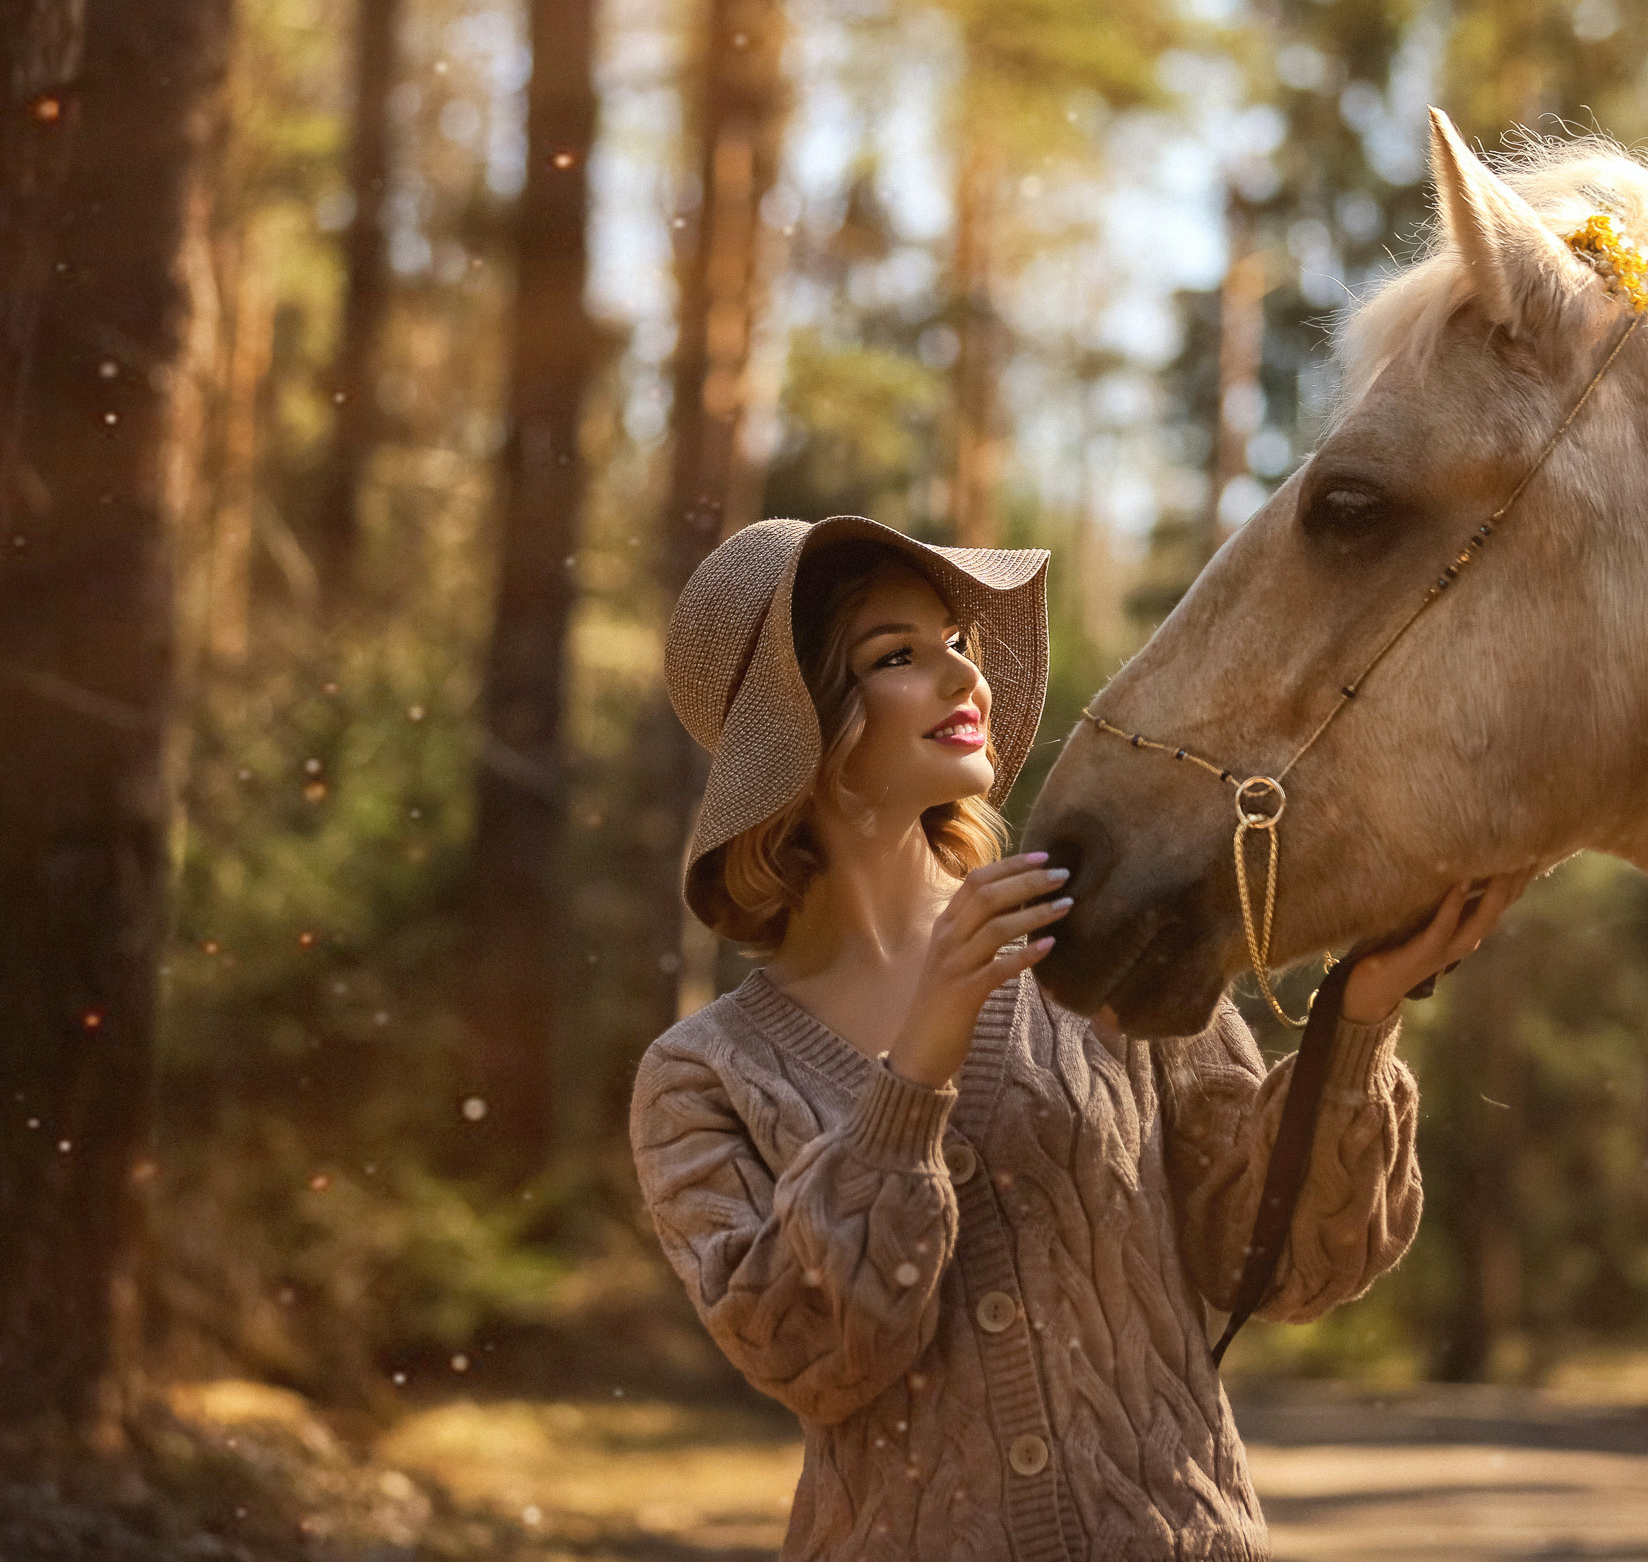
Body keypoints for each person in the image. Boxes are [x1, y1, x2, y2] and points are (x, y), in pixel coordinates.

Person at [630, 515, 1528, 1561]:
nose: (964, 678)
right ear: (805, 735)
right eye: (897, 656)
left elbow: (1278, 1264)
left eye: (958, 642)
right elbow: (819, 1357)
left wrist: (1359, 1017)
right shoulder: (701, 1075)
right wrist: (919, 1065)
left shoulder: (1098, 945)